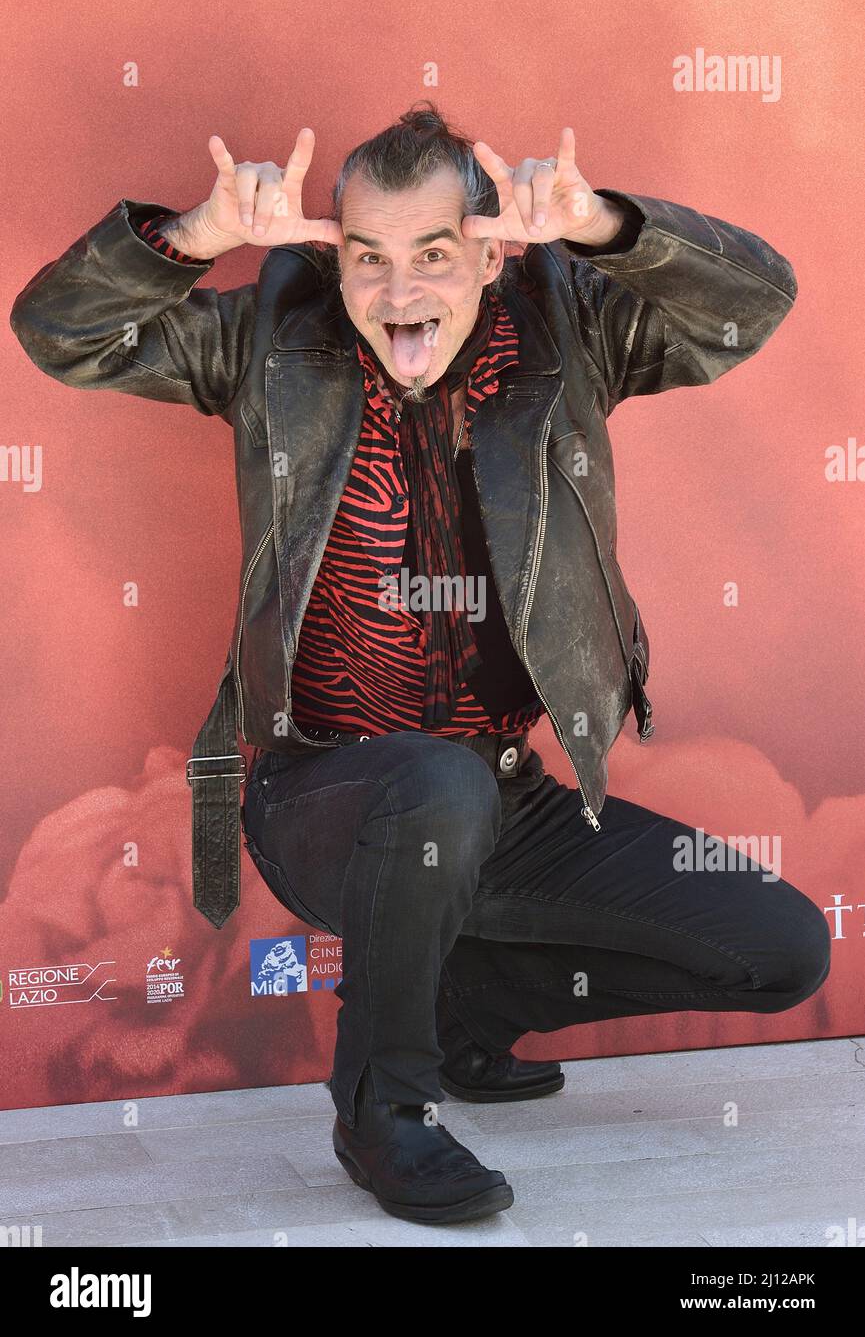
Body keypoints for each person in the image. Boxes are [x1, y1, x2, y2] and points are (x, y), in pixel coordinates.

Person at [10, 102, 830, 1227]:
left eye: (434, 256)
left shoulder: (568, 329)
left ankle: (463, 1013)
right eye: (367, 258)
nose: (400, 295)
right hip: (321, 793)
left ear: (490, 253)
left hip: (505, 799)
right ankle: (382, 1111)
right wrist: (192, 237)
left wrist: (602, 228)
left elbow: (755, 302)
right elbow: (61, 333)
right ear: (332, 256)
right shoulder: (270, 341)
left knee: (779, 945)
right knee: (430, 783)